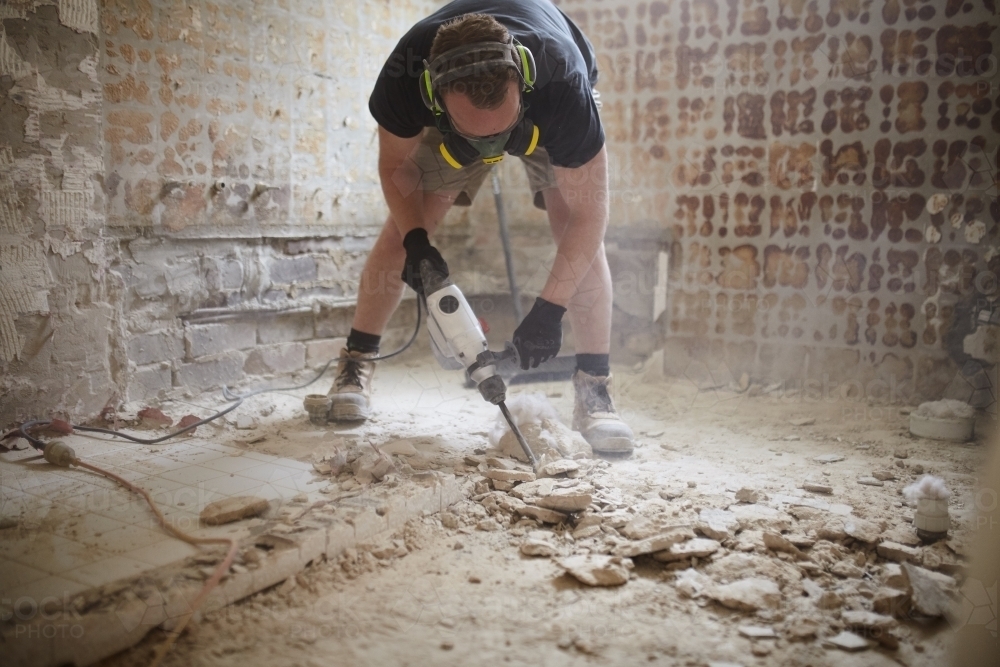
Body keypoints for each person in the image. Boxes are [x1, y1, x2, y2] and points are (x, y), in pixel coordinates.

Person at [324, 0, 634, 453]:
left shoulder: (562, 81)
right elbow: (397, 169)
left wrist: (550, 310)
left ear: (522, 79)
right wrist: (417, 242)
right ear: (434, 93)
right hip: (456, 135)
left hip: (544, 117)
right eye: (480, 132)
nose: (495, 148)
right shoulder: (404, 78)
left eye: (500, 129)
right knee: (401, 232)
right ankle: (356, 363)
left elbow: (592, 214)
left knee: (570, 222)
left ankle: (594, 390)